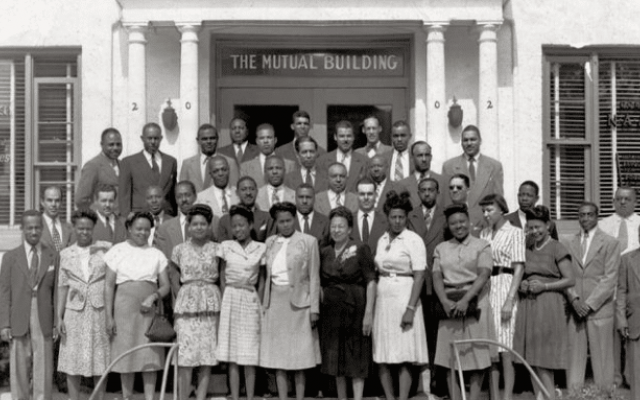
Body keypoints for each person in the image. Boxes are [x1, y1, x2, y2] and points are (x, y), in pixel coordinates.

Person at [104, 211, 171, 400]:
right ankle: (127, 397)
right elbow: (109, 285)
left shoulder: (156, 254)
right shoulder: (117, 251)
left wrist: (153, 296)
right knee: (126, 353)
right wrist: (108, 317)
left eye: (146, 230)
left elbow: (165, 285)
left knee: (150, 355)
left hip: (149, 309)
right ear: (129, 229)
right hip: (124, 308)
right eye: (138, 229)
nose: (142, 233)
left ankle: (150, 398)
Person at [432, 204, 495, 400]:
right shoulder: (441, 248)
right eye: (453, 223)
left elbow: (484, 273)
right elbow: (436, 276)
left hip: (475, 301)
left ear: (468, 222)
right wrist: (444, 301)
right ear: (448, 226)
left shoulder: (482, 245)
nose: (458, 226)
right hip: (449, 303)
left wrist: (467, 300)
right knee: (449, 356)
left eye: (462, 222)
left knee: (477, 355)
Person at [260, 202, 321, 400]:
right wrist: (264, 305)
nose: (285, 225)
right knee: (279, 356)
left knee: (299, 355)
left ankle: (300, 396)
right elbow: (265, 276)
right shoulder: (269, 242)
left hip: (299, 304)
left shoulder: (308, 241)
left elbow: (314, 276)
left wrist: (314, 309)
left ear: (294, 219)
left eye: (288, 220)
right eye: (281, 221)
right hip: (276, 302)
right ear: (275, 223)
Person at [513, 205, 574, 400]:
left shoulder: (557, 247)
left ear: (548, 225)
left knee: (544, 357)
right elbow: (524, 272)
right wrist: (523, 283)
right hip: (528, 304)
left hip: (549, 304)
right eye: (530, 227)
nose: (534, 231)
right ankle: (541, 396)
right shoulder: (527, 246)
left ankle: (551, 397)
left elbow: (570, 279)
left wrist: (545, 287)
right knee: (531, 355)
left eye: (538, 227)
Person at [373, 190, 429, 400]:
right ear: (387, 217)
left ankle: (403, 398)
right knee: (384, 353)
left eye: (401, 217)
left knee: (404, 353)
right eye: (393, 217)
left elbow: (420, 276)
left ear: (406, 218)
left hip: (405, 296)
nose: (397, 221)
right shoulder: (382, 239)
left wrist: (410, 309)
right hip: (384, 297)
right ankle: (389, 397)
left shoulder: (413, 240)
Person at [0, 210, 59, 400]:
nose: (34, 231)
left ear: (42, 228)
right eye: (29, 228)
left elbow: (57, 291)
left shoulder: (52, 256)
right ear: (22, 229)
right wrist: (4, 323)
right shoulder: (10, 257)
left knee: (43, 363)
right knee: (19, 364)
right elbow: (4, 292)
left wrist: (57, 321)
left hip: (43, 315)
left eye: (37, 227)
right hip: (18, 313)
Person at [319, 207, 376, 400]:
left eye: (341, 226)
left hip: (356, 308)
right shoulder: (325, 252)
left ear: (350, 229)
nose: (336, 230)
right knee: (336, 358)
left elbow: (371, 281)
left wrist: (369, 313)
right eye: (333, 226)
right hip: (331, 311)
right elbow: (320, 282)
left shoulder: (361, 248)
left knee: (356, 355)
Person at [57, 209, 112, 400]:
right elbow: (62, 286)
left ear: (94, 228)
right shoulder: (65, 253)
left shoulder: (106, 249)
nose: (84, 232)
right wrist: (59, 316)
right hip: (74, 312)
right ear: (74, 227)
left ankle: (99, 397)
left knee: (100, 357)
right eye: (80, 228)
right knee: (72, 358)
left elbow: (111, 282)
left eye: (88, 228)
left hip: (99, 310)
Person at [565, 201, 620, 390]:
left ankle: (605, 394)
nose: (585, 218)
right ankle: (574, 394)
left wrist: (588, 304)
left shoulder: (610, 243)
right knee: (574, 357)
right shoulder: (569, 242)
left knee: (603, 357)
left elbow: (610, 277)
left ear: (597, 217)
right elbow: (565, 275)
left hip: (599, 309)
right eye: (581, 215)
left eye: (589, 214)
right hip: (575, 309)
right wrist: (574, 299)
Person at [171, 204, 221, 400]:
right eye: (195, 224)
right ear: (188, 227)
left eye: (203, 224)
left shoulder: (218, 249)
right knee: (186, 352)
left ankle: (201, 396)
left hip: (210, 301)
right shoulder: (179, 249)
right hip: (187, 302)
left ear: (209, 226)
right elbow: (173, 273)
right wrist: (180, 293)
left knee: (208, 353)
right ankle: (183, 396)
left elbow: (223, 275)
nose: (199, 227)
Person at [217, 205, 267, 400]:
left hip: (250, 297)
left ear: (250, 225)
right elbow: (221, 276)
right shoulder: (226, 246)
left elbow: (262, 279)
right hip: (230, 297)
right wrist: (223, 301)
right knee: (232, 352)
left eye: (242, 225)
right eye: (234, 226)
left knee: (249, 350)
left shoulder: (261, 248)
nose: (238, 230)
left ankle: (250, 396)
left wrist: (260, 303)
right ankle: (235, 396)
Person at [478, 194, 526, 400]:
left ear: (501, 210)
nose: (486, 214)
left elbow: (519, 268)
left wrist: (509, 299)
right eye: (484, 210)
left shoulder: (515, 232)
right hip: (487, 287)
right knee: (491, 348)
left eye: (490, 210)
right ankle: (494, 396)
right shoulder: (484, 233)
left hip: (506, 284)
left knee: (505, 346)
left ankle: (507, 396)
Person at [406, 177, 447, 397]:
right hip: (416, 284)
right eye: (423, 190)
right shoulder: (411, 216)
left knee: (437, 336)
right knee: (416, 335)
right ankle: (417, 385)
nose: (427, 194)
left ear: (437, 192)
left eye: (431, 190)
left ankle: (437, 383)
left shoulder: (445, 215)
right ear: (418, 192)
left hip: (438, 284)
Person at [600, 186, 640, 387]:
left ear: (635, 201)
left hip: (634, 285)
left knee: (635, 335)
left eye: (627, 199)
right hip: (611, 284)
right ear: (614, 201)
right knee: (614, 335)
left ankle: (634, 378)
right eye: (619, 199)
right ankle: (615, 377)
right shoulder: (604, 224)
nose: (623, 202)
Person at [119, 122, 178, 216]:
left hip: (166, 216)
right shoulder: (129, 162)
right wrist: (126, 218)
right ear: (142, 139)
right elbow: (124, 195)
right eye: (149, 138)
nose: (153, 142)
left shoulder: (171, 161)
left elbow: (173, 195)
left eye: (156, 138)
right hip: (140, 216)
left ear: (161, 138)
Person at [441, 124, 504, 212]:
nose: (469, 143)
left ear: (480, 141)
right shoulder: (449, 166)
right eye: (465, 140)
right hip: (460, 219)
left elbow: (498, 200)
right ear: (461, 143)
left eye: (473, 139)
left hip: (485, 220)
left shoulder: (494, 166)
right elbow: (446, 201)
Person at [616, 224, 640, 400]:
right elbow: (621, 291)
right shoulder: (626, 259)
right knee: (636, 371)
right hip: (635, 321)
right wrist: (621, 319)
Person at [180, 123, 239, 193]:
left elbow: (234, 190)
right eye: (204, 139)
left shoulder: (229, 162)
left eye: (212, 138)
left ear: (217, 139)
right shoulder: (187, 164)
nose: (209, 141)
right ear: (198, 141)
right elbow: (182, 190)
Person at [75, 127, 123, 210]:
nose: (115, 148)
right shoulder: (92, 166)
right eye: (111, 144)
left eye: (118, 144)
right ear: (102, 144)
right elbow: (81, 200)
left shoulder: (123, 165)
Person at [218, 176, 274, 242]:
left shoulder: (268, 218)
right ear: (237, 192)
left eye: (252, 189)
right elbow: (222, 247)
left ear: (257, 191)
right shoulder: (225, 220)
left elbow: (271, 245)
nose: (248, 193)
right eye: (243, 189)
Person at [317, 120, 367, 193]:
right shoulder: (322, 161)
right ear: (335, 137)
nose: (345, 140)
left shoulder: (364, 161)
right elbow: (321, 188)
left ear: (353, 137)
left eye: (349, 136)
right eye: (342, 136)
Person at [241, 123, 296, 188]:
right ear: (257, 141)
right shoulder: (245, 167)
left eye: (269, 137)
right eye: (262, 138)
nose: (266, 141)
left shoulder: (290, 165)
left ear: (275, 140)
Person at [398, 141, 445, 208]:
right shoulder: (402, 185)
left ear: (431, 157)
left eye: (427, 155)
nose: (424, 159)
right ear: (412, 158)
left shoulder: (444, 182)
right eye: (420, 155)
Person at [351, 177, 388, 255]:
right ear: (356, 195)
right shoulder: (348, 220)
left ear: (376, 195)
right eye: (362, 194)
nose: (366, 198)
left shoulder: (386, 220)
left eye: (370, 194)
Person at [40, 185, 75, 253]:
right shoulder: (33, 227)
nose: (53, 204)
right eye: (49, 200)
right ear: (42, 202)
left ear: (61, 202)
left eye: (57, 200)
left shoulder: (69, 228)